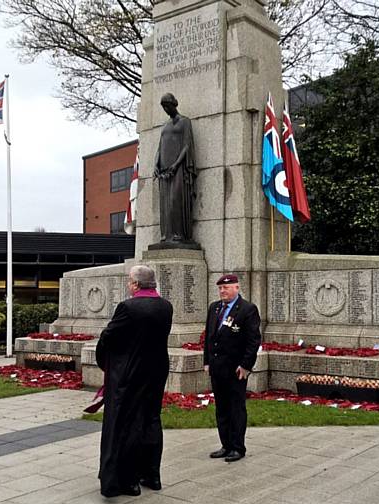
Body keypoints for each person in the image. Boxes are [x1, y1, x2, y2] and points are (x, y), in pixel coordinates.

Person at [95, 265, 173, 497]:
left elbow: (109, 336)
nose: (128, 285)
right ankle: (152, 474)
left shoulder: (128, 307)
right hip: (157, 371)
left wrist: (106, 360)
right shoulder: (166, 306)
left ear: (137, 284)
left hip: (131, 374)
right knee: (151, 420)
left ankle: (128, 481)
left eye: (130, 281)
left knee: (128, 424)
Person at [203, 274, 261, 462]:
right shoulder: (215, 308)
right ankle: (225, 444)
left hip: (236, 369)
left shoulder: (247, 310)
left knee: (236, 408)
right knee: (221, 408)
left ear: (236, 288)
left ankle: (237, 447)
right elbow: (209, 338)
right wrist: (207, 361)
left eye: (226, 288)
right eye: (220, 288)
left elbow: (253, 341)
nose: (222, 291)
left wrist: (245, 365)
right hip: (217, 368)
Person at [153, 92, 197, 246]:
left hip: (178, 169)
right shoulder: (165, 126)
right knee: (165, 204)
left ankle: (179, 234)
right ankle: (167, 234)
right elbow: (160, 147)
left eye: (167, 105)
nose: (166, 109)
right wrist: (156, 164)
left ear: (174, 104)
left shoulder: (185, 122)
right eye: (163, 107)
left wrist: (177, 164)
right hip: (164, 170)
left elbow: (186, 145)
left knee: (175, 201)